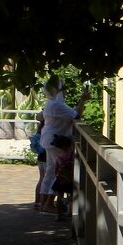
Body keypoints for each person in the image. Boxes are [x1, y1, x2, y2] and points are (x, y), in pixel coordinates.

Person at [37, 76, 88, 214]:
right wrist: (83, 99)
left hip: (49, 140)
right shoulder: (57, 105)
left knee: (50, 171)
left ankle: (43, 204)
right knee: (58, 172)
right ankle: (48, 204)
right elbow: (76, 115)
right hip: (56, 142)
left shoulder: (51, 103)